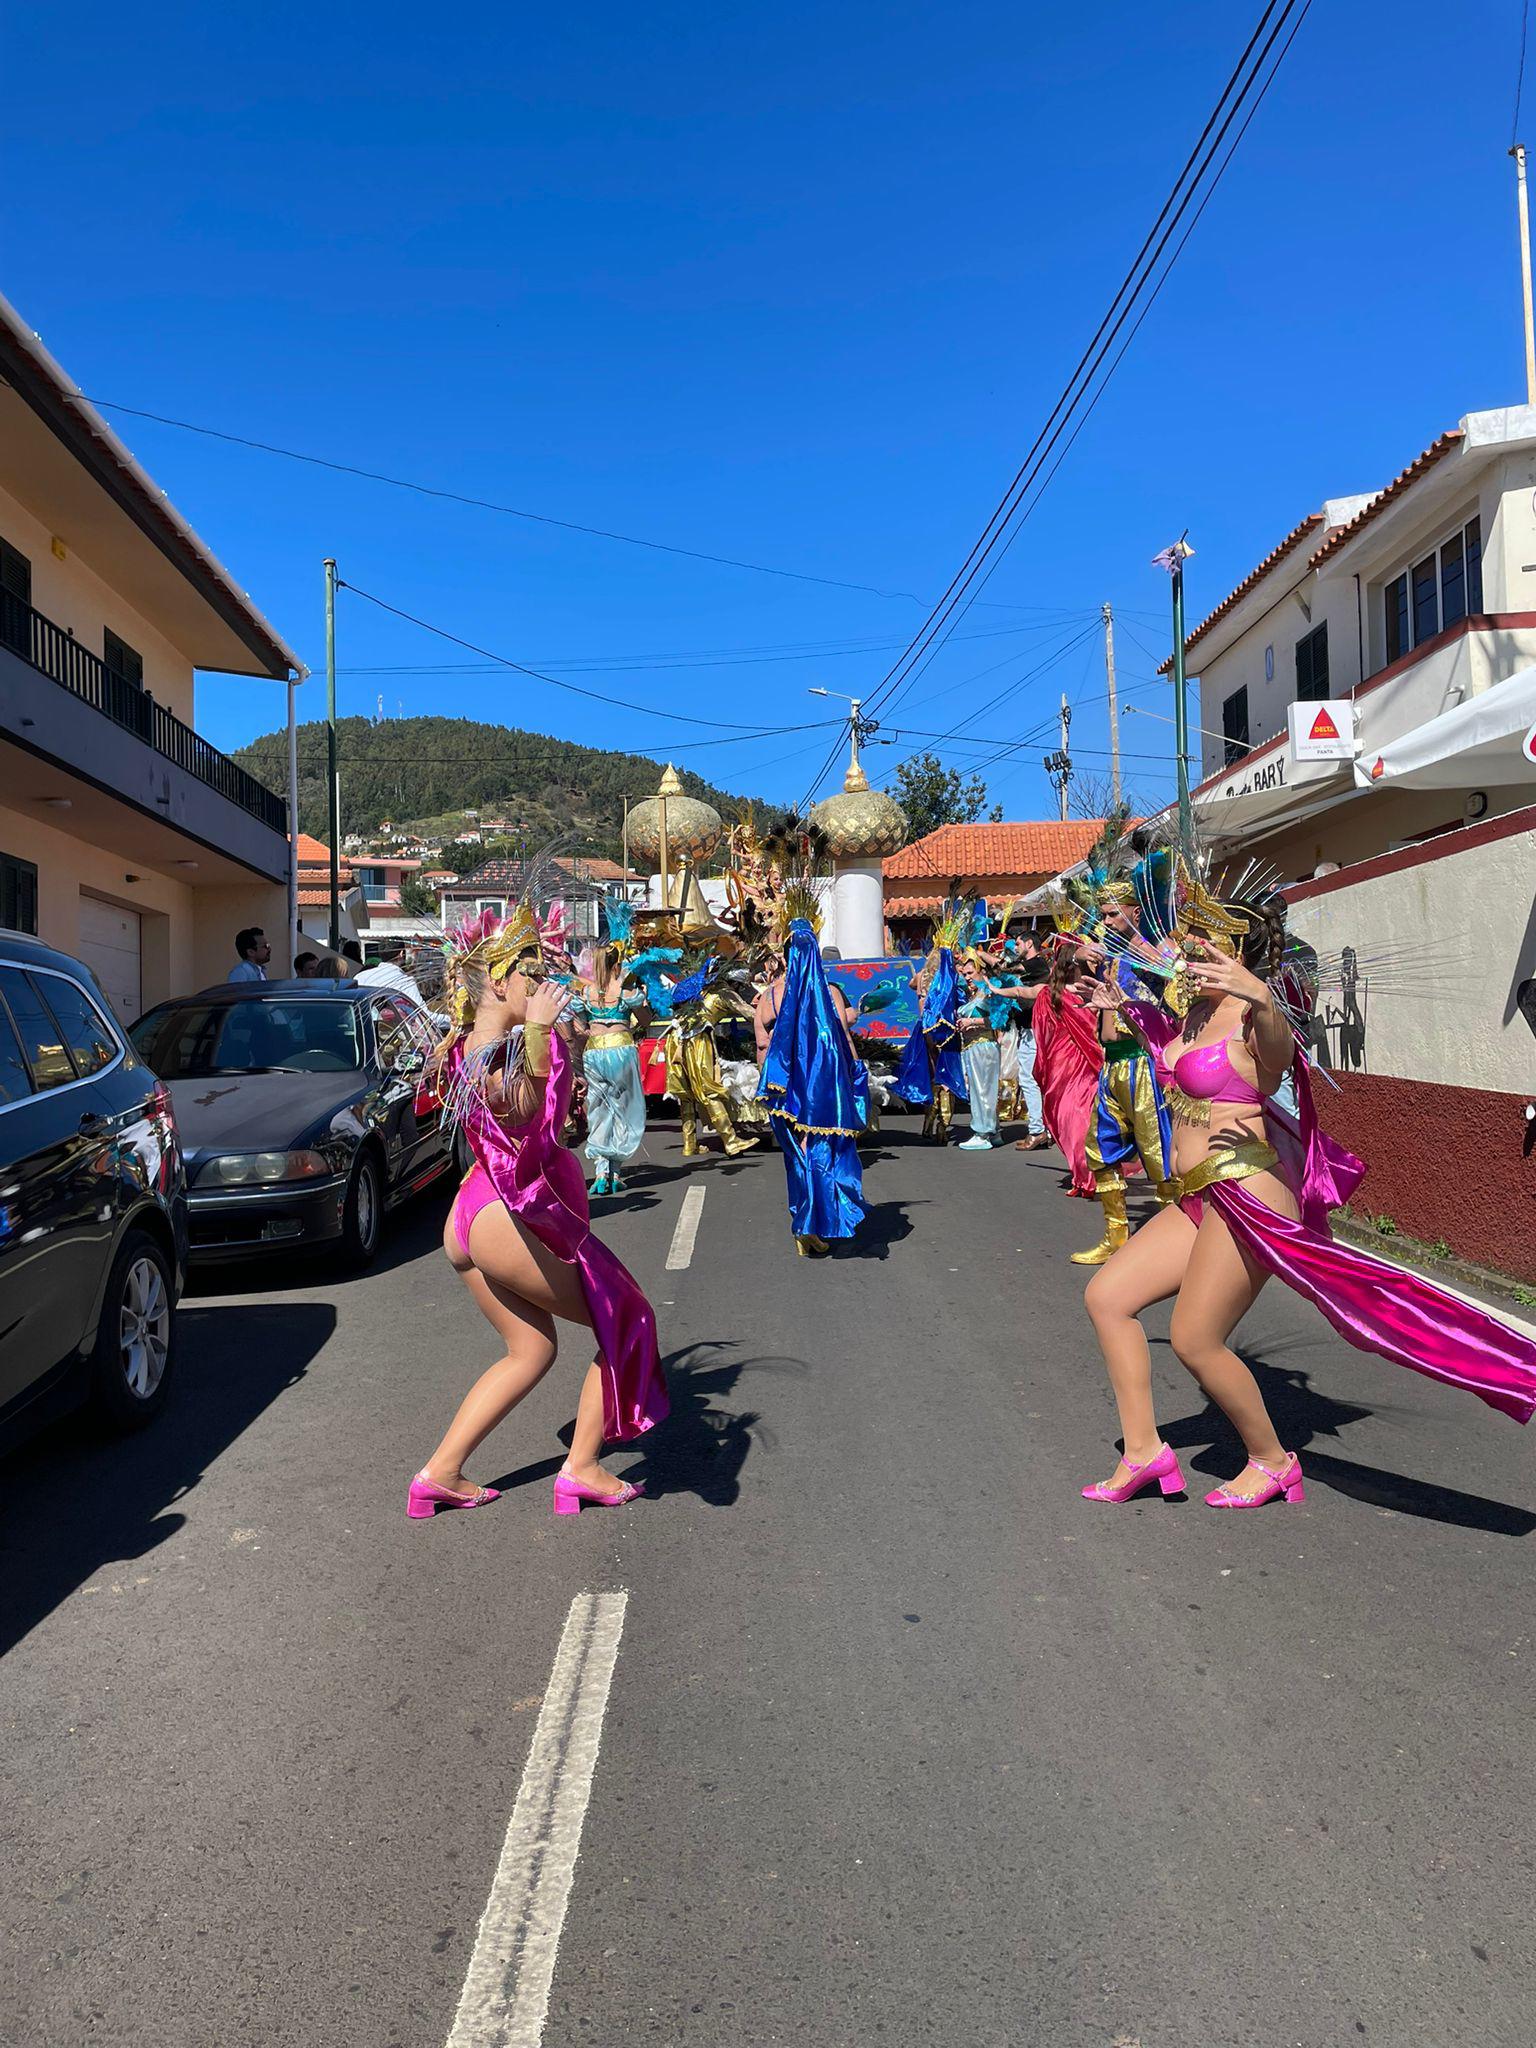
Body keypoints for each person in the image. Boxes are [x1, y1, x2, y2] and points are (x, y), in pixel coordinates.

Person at [1079, 882, 1536, 1508]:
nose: (1188, 959)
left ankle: (1272, 1461)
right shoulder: (1189, 1016)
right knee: (1107, 1298)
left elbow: (1276, 1054)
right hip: (1194, 1197)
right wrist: (1121, 1004)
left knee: (1193, 1338)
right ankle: (1144, 1453)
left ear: (1236, 951)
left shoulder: (1253, 1019)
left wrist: (1261, 996)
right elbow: (1161, 1050)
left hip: (1245, 1192)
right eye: (1185, 947)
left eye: (1203, 947)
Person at [408, 905, 666, 1521]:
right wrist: (544, 1035)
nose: (543, 985)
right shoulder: (495, 1047)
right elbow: (529, 1118)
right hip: (505, 1213)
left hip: (473, 1215)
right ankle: (580, 1468)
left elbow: (545, 1123)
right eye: (533, 975)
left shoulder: (471, 1043)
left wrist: (556, 1043)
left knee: (530, 1350)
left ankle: (439, 1474)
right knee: (627, 1320)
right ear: (500, 982)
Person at [1071, 882, 1176, 1266]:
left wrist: (1134, 943)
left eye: (1113, 913)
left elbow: (1177, 978)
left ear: (1136, 912)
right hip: (1111, 1064)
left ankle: (1173, 1241)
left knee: (1160, 1156)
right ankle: (1116, 1236)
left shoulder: (1158, 947)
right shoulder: (1111, 956)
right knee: (1099, 1149)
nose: (1105, 921)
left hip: (1143, 1065)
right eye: (1102, 915)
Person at [759, 916, 867, 1256]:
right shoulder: (830, 993)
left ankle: (804, 1224)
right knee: (822, 1154)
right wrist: (857, 1072)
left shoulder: (771, 997)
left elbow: (762, 1045)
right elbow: (845, 1037)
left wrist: (770, 1090)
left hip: (786, 1092)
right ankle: (817, 1223)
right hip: (823, 1093)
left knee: (798, 1155)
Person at [571, 943, 649, 1197]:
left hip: (594, 1052)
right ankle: (615, 1171)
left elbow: (579, 1025)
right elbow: (646, 1020)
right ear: (617, 964)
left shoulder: (586, 992)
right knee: (624, 1109)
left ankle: (602, 1171)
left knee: (599, 1108)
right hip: (621, 1050)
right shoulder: (625, 990)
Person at [1028, 944, 1101, 1193]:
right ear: (1073, 965)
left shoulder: (1094, 992)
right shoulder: (1051, 995)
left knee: (1082, 1119)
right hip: (1066, 1065)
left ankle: (1089, 1175)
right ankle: (1084, 1173)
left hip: (1083, 1063)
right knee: (1071, 1119)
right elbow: (1044, 1033)